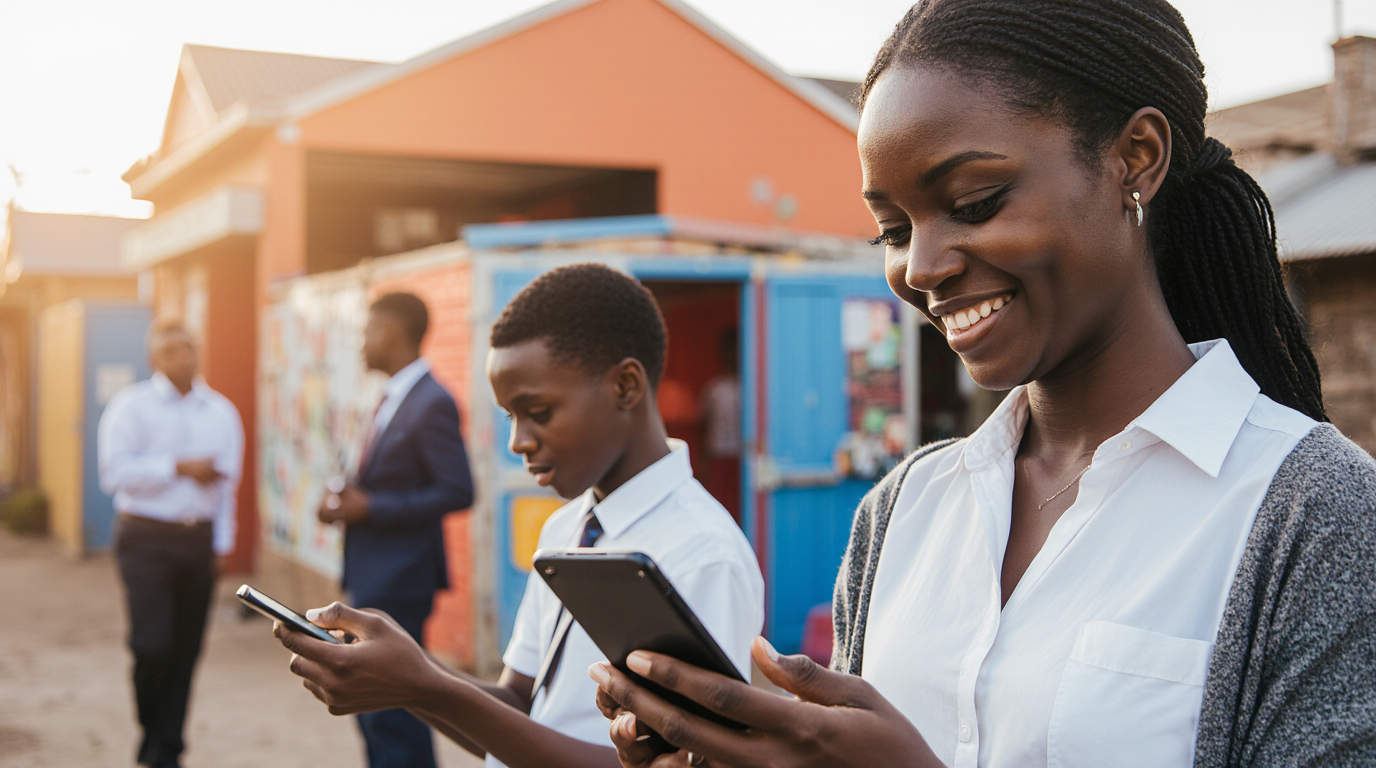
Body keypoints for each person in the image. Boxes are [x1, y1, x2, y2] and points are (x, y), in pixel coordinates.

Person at [590, 2, 1376, 767]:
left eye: (974, 203)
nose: (923, 267)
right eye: (893, 231)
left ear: (1135, 158)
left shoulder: (1317, 514)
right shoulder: (901, 511)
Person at [277, 263, 764, 768]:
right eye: (512, 416)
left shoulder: (702, 555)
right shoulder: (565, 528)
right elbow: (521, 709)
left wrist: (422, 684)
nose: (519, 442)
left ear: (625, 386)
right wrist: (408, 675)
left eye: (540, 412)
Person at [316, 291, 473, 768]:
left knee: (392, 710)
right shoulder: (394, 396)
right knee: (372, 708)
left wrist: (372, 508)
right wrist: (346, 503)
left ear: (389, 333)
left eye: (366, 332)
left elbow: (458, 491)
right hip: (374, 572)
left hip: (401, 579)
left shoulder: (432, 401)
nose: (361, 343)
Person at [98, 319, 244, 768]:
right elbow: (114, 475)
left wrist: (222, 545)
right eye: (173, 351)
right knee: (152, 645)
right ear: (154, 360)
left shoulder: (222, 412)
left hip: (197, 541)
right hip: (145, 538)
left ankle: (168, 748)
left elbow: (227, 489)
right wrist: (176, 467)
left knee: (186, 650)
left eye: (190, 348)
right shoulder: (130, 408)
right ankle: (153, 730)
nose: (184, 357)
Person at [696, 331, 741, 520]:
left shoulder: (749, 387)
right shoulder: (714, 389)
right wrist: (704, 464)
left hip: (741, 456)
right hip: (719, 456)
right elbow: (703, 427)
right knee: (719, 505)